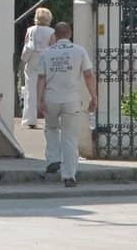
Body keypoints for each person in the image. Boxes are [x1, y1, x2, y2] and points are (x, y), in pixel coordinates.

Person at [37, 21, 97, 188]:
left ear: (55, 35)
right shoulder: (79, 51)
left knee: (51, 128)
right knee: (69, 137)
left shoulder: (46, 53)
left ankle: (53, 159)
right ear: (70, 34)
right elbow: (88, 75)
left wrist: (39, 99)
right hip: (71, 100)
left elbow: (41, 78)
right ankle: (69, 176)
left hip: (51, 98)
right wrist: (94, 96)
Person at [19, 7, 55, 127]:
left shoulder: (30, 30)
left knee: (30, 91)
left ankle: (30, 119)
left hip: (32, 61)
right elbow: (53, 48)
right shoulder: (51, 32)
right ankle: (50, 119)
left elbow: (25, 45)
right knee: (47, 91)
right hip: (45, 61)